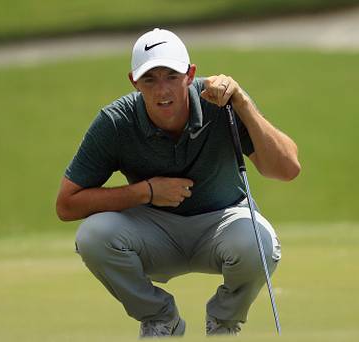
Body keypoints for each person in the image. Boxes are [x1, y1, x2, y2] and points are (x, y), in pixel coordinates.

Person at [56, 28, 300, 337]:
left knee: (259, 241)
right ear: (133, 81)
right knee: (93, 235)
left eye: (171, 76)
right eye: (150, 79)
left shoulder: (221, 103)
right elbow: (66, 205)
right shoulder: (116, 122)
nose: (162, 90)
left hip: (222, 222)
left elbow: (288, 169)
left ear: (190, 74)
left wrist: (243, 102)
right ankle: (161, 320)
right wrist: (146, 192)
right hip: (154, 231)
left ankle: (224, 322)